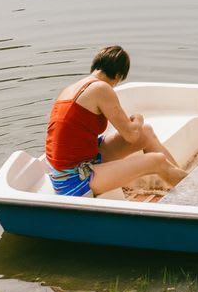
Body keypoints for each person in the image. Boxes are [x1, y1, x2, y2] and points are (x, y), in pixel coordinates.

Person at [45, 45, 186, 197]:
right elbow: (131, 135)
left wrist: (136, 126)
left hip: (78, 163)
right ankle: (196, 190)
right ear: (118, 75)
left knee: (145, 132)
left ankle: (186, 179)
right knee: (156, 161)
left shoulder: (76, 87)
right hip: (74, 178)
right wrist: (138, 118)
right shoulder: (101, 88)